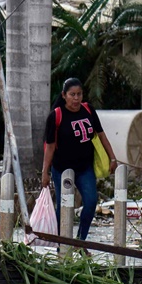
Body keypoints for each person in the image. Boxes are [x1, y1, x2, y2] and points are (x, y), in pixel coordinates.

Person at [40, 77, 118, 242]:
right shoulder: (56, 116)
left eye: (79, 94)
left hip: (84, 167)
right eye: (72, 94)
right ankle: (62, 244)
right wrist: (45, 172)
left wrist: (112, 158)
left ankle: (80, 241)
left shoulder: (88, 110)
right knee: (64, 208)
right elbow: (50, 146)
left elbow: (102, 136)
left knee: (90, 202)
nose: (76, 98)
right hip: (62, 169)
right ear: (64, 95)